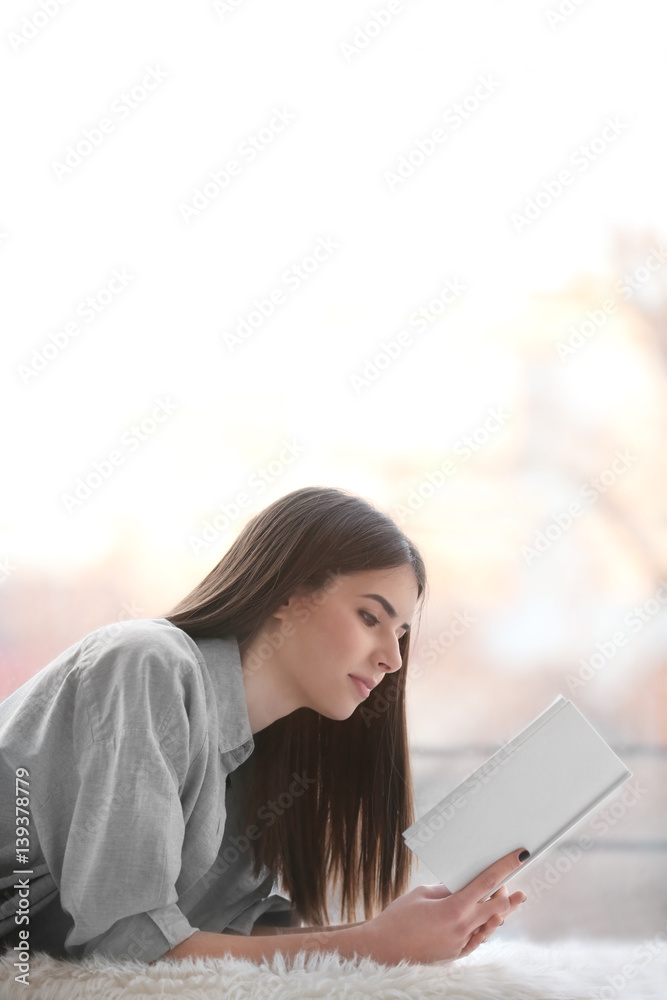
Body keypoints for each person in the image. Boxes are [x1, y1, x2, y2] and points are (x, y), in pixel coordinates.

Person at [0, 485, 527, 968]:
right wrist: (373, 945)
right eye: (371, 617)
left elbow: (214, 943)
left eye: (402, 633)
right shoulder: (149, 667)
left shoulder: (262, 764)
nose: (393, 657)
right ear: (288, 597)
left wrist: (401, 935)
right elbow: (125, 946)